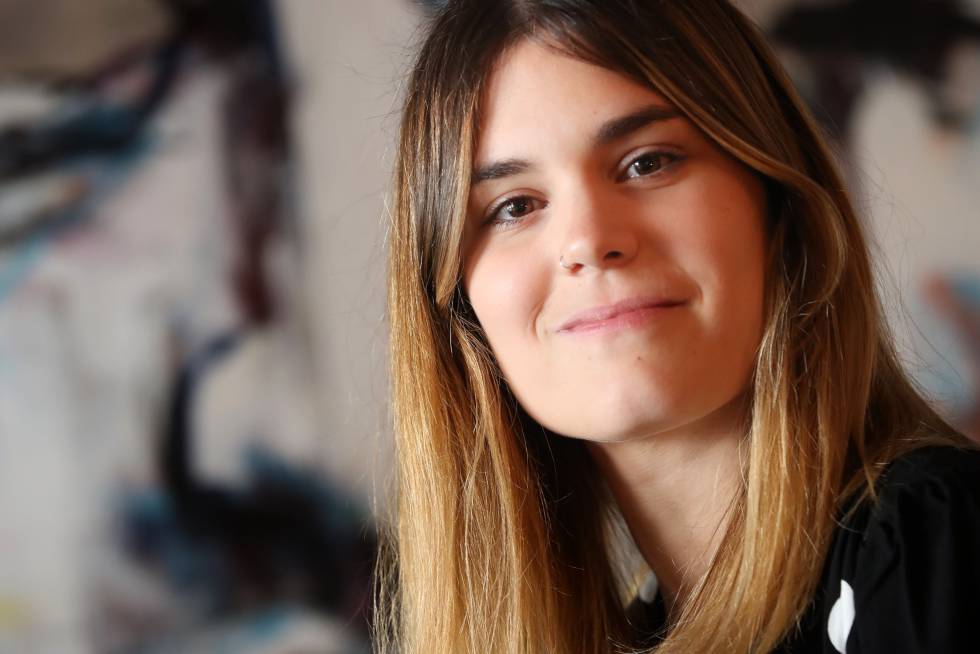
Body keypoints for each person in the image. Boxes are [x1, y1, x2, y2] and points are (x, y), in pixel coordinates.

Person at [376, 1, 980, 652]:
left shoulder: (935, 541)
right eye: (514, 206)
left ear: (778, 205)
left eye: (648, 162)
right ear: (457, 304)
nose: (588, 240)